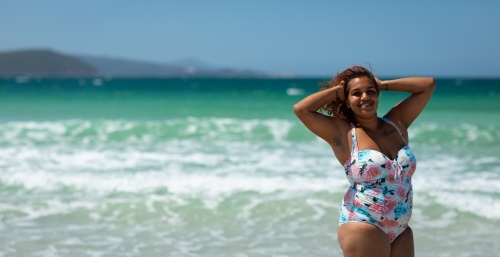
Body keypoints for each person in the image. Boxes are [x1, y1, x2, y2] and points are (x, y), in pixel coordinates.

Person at [293, 66, 435, 257]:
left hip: (400, 229)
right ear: (347, 100)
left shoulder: (397, 122)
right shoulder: (343, 133)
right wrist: (338, 91)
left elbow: (427, 85)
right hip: (363, 224)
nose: (365, 97)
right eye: (356, 93)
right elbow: (302, 109)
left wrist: (383, 84)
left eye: (370, 91)